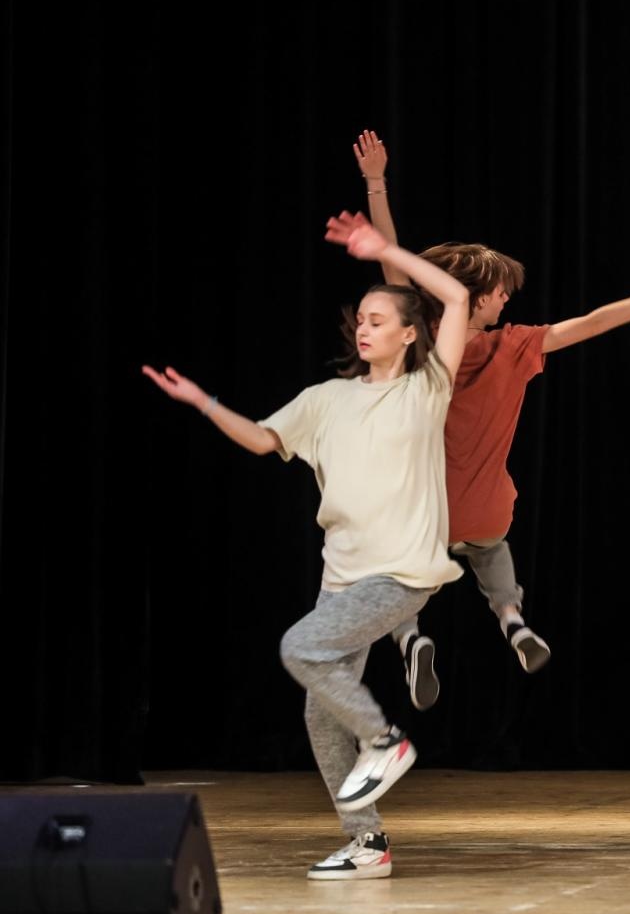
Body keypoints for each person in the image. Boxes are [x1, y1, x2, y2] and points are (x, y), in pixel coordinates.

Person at [142, 210, 470, 880]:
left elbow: (459, 298)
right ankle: (369, 843)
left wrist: (387, 250)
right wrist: (204, 402)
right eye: (362, 319)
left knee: (301, 647)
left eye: (380, 319)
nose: (365, 326)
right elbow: (265, 439)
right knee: (320, 714)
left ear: (410, 335)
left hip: (401, 573)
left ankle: (384, 740)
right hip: (343, 579)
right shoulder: (326, 400)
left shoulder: (425, 388)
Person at [352, 130, 630, 708]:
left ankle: (410, 635)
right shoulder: (514, 346)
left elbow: (391, 256)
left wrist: (375, 182)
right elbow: (593, 322)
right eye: (500, 293)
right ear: (478, 294)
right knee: (491, 546)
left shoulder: (418, 345)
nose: (507, 300)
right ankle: (512, 619)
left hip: (422, 510)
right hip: (484, 507)